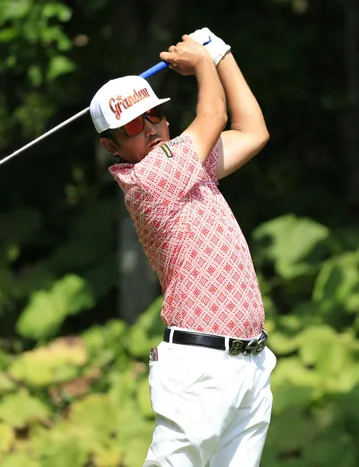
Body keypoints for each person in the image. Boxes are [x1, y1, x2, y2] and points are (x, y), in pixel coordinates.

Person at [88, 28, 276, 467]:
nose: (150, 128)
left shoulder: (191, 166)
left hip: (249, 363)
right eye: (132, 126)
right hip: (200, 368)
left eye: (154, 114)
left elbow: (253, 131)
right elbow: (213, 116)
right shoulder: (149, 179)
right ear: (111, 146)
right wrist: (204, 64)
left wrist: (222, 54)